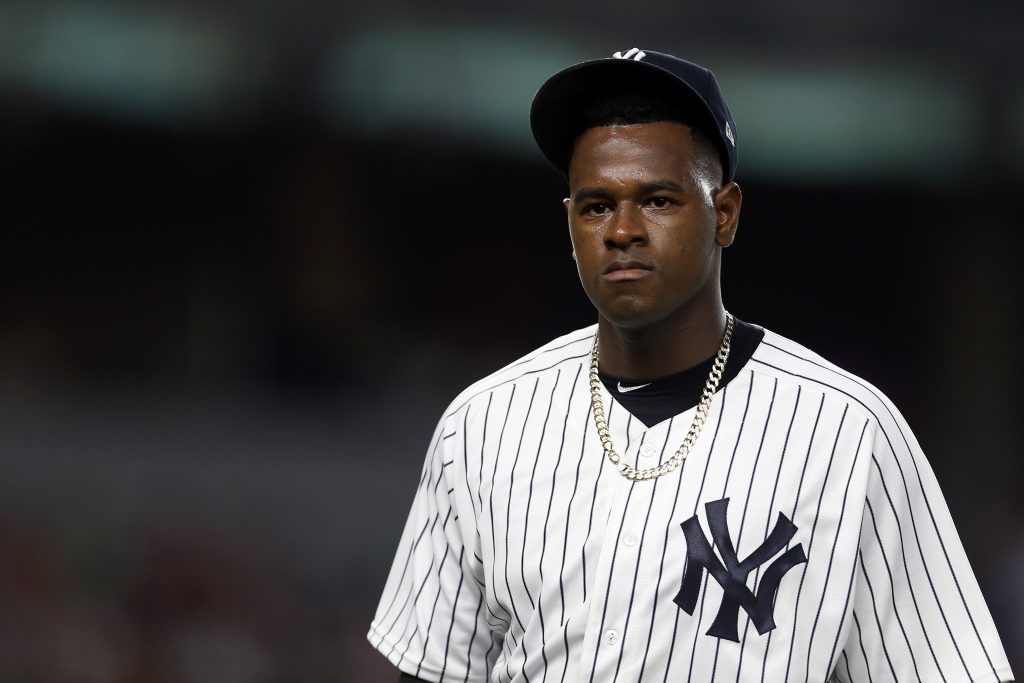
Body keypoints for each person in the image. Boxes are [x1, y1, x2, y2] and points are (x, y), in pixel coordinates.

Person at [367, 48, 1013, 682]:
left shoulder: (850, 435)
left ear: (724, 214)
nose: (621, 229)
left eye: (657, 200)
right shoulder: (481, 427)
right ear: (570, 221)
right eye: (595, 205)